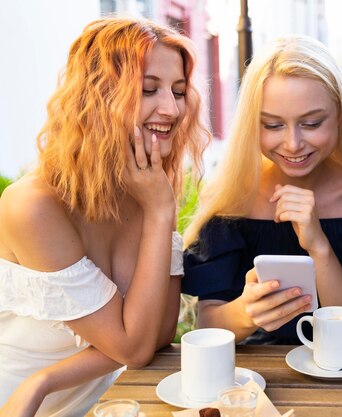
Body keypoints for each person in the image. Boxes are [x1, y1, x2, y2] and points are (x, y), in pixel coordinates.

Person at [0, 17, 209, 417]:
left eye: (178, 91)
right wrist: (36, 387)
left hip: (105, 405)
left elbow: (156, 334)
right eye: (149, 90)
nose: (171, 108)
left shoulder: (143, 188)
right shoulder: (34, 205)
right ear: (98, 96)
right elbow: (134, 346)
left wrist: (45, 380)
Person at [182, 35, 342, 345]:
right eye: (272, 125)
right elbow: (207, 324)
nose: (293, 144)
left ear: (340, 115)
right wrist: (247, 312)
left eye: (312, 123)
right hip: (257, 378)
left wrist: (318, 245)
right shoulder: (232, 198)